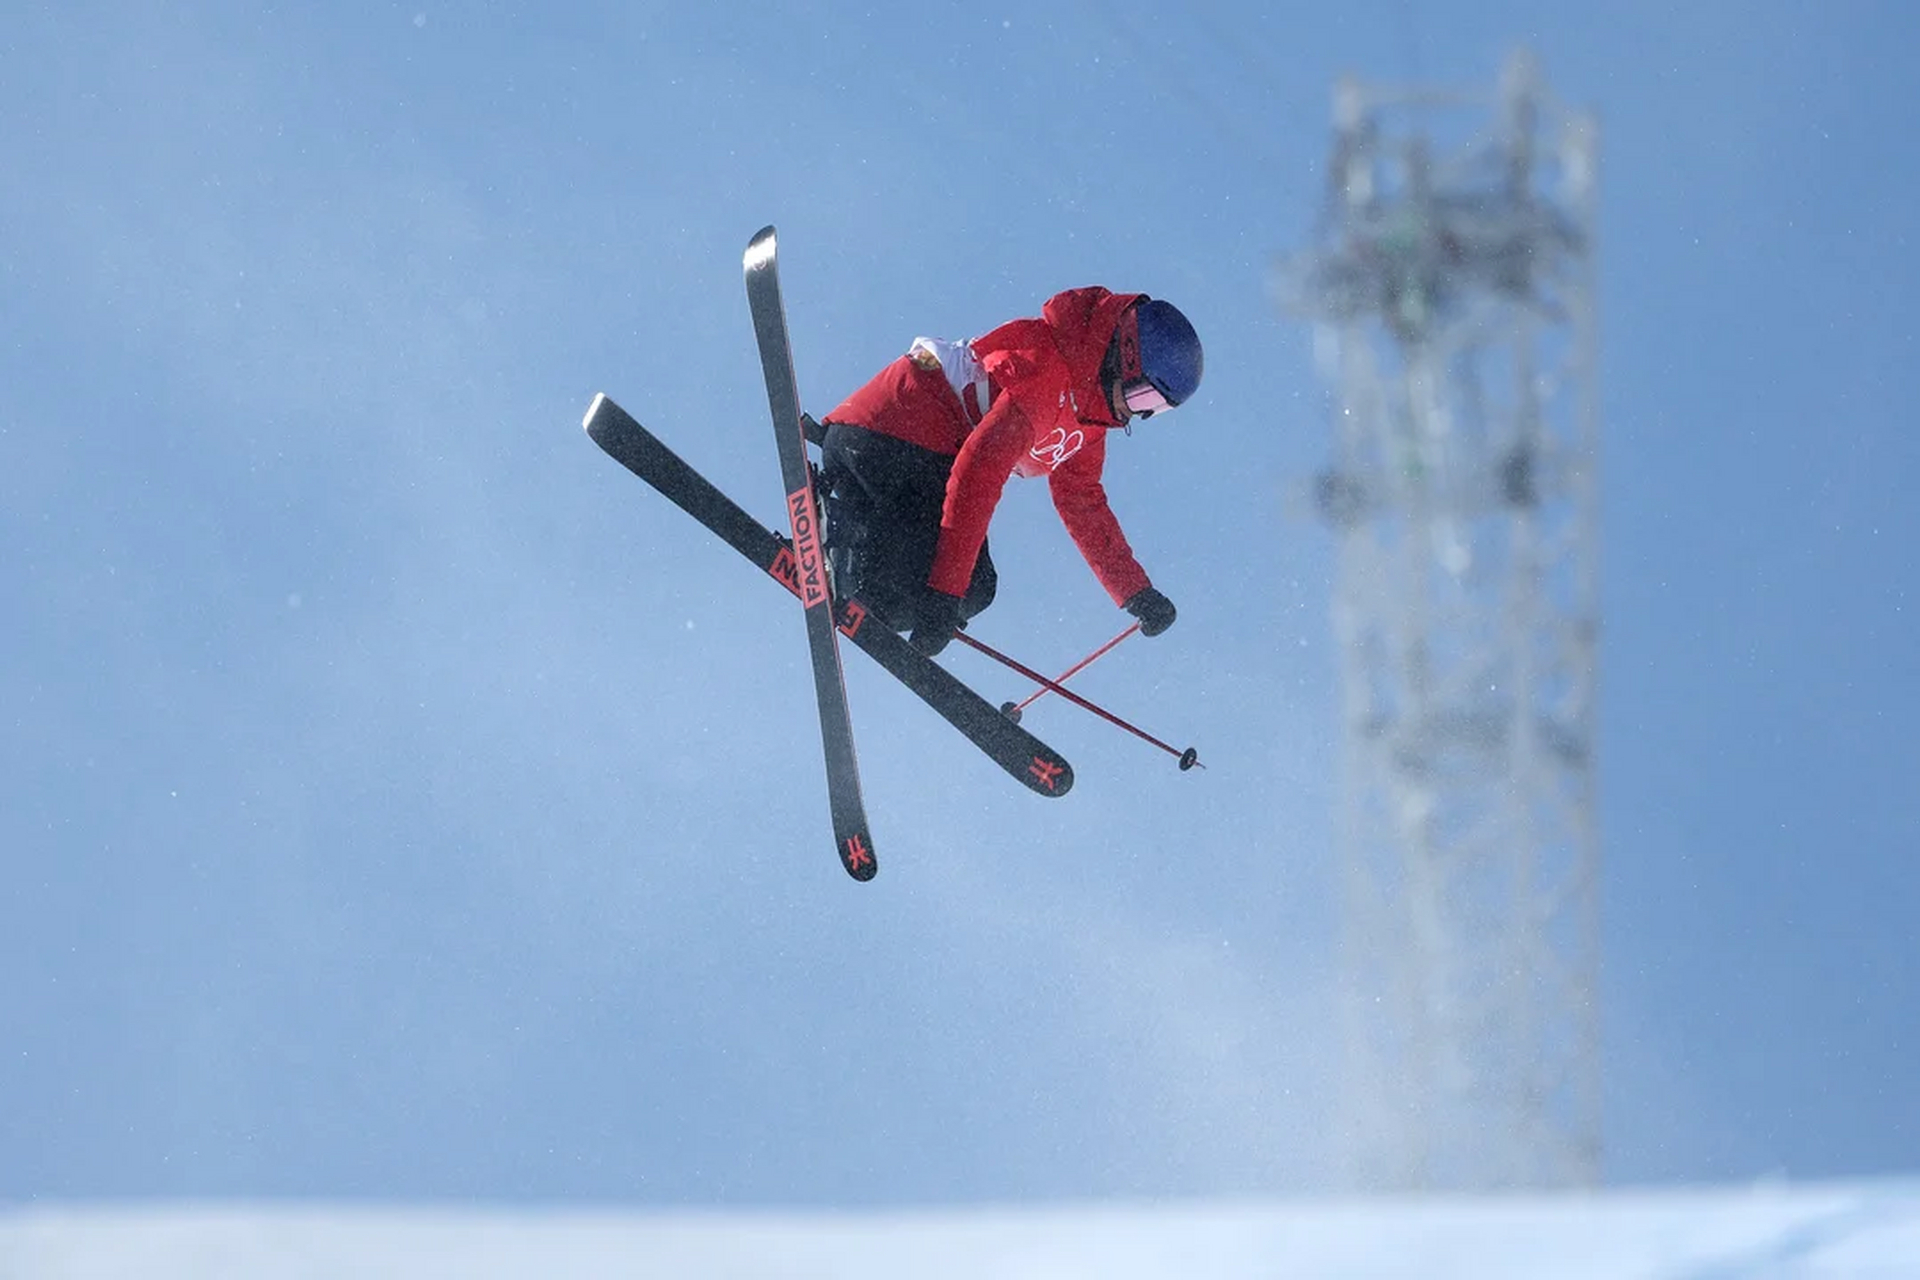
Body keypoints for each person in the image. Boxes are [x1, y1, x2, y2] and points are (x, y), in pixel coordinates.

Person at [816, 287, 1203, 657]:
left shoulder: (1089, 423)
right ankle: (843, 546)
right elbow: (978, 473)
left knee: (975, 590)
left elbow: (1082, 503)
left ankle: (856, 572)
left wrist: (1135, 592)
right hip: (885, 439)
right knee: (943, 585)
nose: (1135, 412)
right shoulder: (1047, 371)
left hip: (913, 466)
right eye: (1142, 396)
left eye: (1154, 408)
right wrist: (943, 594)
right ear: (1124, 356)